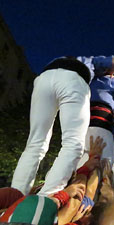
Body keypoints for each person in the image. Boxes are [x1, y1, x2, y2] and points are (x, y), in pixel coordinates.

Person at [11, 56, 91, 196]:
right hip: (73, 80)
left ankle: (14, 197)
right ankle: (46, 198)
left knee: (35, 143)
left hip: (44, 78)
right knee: (73, 143)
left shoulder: (58, 59)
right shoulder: (93, 61)